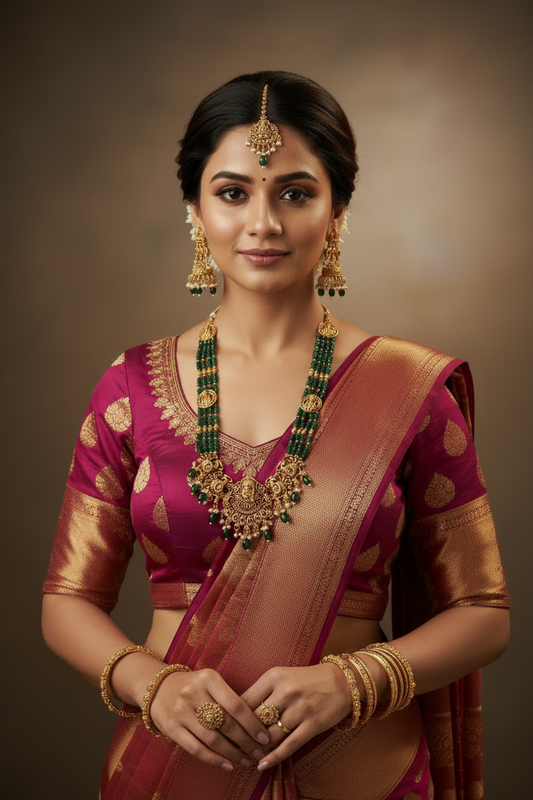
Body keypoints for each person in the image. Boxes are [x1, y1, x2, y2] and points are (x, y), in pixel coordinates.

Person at [42, 71, 510, 800]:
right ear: (195, 210)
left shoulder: (409, 391)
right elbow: (67, 602)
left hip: (363, 765)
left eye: (294, 193)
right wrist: (151, 686)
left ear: (337, 210)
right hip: (173, 768)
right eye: (232, 193)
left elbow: (482, 614)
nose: (262, 223)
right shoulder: (128, 390)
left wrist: (353, 681)